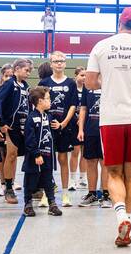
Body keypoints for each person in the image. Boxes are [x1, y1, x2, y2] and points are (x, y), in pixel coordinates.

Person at [85, 7, 131, 247]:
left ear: (119, 22)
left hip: (111, 117)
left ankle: (121, 216)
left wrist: (109, 81)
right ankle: (127, 221)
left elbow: (89, 82)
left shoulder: (101, 46)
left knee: (114, 172)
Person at [39, 51, 78, 207]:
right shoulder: (44, 82)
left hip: (63, 127)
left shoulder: (70, 83)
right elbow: (39, 105)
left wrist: (63, 123)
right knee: (46, 161)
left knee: (63, 160)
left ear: (65, 63)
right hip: (47, 128)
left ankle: (65, 194)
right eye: (56, 61)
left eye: (61, 61)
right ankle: (45, 194)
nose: (59, 63)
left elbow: (73, 106)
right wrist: (46, 123)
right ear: (51, 64)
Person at [21, 86, 62, 217]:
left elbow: (51, 135)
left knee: (48, 180)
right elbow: (29, 139)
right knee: (30, 180)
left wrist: (58, 127)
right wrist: (36, 154)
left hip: (48, 155)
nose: (51, 101)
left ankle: (52, 204)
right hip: (35, 157)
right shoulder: (31, 118)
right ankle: (28, 204)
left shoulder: (48, 117)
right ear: (39, 101)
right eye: (48, 99)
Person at [0, 58, 32, 204]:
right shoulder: (9, 84)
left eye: (30, 71)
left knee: (18, 155)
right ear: (17, 69)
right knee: (10, 155)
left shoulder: (26, 86)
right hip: (11, 126)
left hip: (24, 126)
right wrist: (2, 123)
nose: (29, 73)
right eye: (26, 70)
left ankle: (32, 187)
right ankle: (8, 187)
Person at [77, 85, 110, 207]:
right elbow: (83, 108)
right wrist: (81, 129)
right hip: (90, 129)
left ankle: (106, 194)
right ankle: (92, 194)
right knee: (91, 162)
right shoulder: (88, 86)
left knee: (105, 162)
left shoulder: (110, 81)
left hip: (107, 129)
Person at [0, 63, 14, 197]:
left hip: (12, 126)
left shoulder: (17, 88)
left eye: (11, 76)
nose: (8, 79)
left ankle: (11, 181)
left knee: (12, 155)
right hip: (1, 125)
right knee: (1, 155)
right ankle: (0, 183)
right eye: (6, 76)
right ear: (2, 76)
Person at [69, 66, 87, 190]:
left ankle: (83, 177)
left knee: (85, 152)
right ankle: (72, 178)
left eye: (86, 75)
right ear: (76, 76)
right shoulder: (72, 89)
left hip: (85, 124)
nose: (84, 77)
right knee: (75, 151)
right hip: (74, 124)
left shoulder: (88, 89)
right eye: (81, 75)